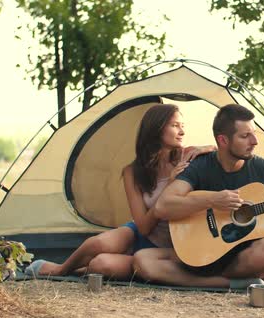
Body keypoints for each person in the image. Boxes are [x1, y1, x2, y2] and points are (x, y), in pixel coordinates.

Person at [132, 104, 264, 288]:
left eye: (254, 133)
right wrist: (213, 200)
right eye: (245, 136)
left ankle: (211, 279)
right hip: (199, 252)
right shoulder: (200, 165)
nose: (254, 141)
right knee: (142, 261)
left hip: (240, 259)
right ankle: (231, 284)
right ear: (223, 141)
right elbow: (163, 206)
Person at [25, 104, 216, 279]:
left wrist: (205, 147)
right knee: (98, 245)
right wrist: (169, 186)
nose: (182, 131)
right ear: (156, 129)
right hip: (142, 233)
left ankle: (82, 270)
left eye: (182, 125)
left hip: (170, 246)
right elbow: (143, 227)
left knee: (101, 265)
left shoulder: (188, 157)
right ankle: (60, 270)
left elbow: (217, 151)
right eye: (175, 125)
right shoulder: (132, 172)